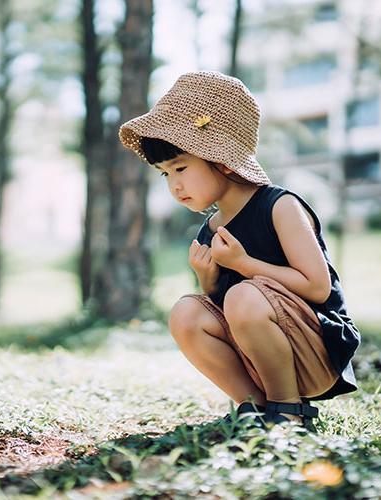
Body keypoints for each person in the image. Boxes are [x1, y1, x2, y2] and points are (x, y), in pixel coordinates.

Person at [118, 71, 360, 431]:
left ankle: (290, 411)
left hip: (316, 351)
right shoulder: (212, 230)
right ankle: (255, 409)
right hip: (260, 356)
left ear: (224, 160)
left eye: (181, 167)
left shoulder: (280, 206)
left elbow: (317, 288)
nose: (175, 184)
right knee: (186, 311)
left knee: (245, 295)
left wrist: (244, 264)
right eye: (165, 174)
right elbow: (228, 312)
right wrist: (209, 280)